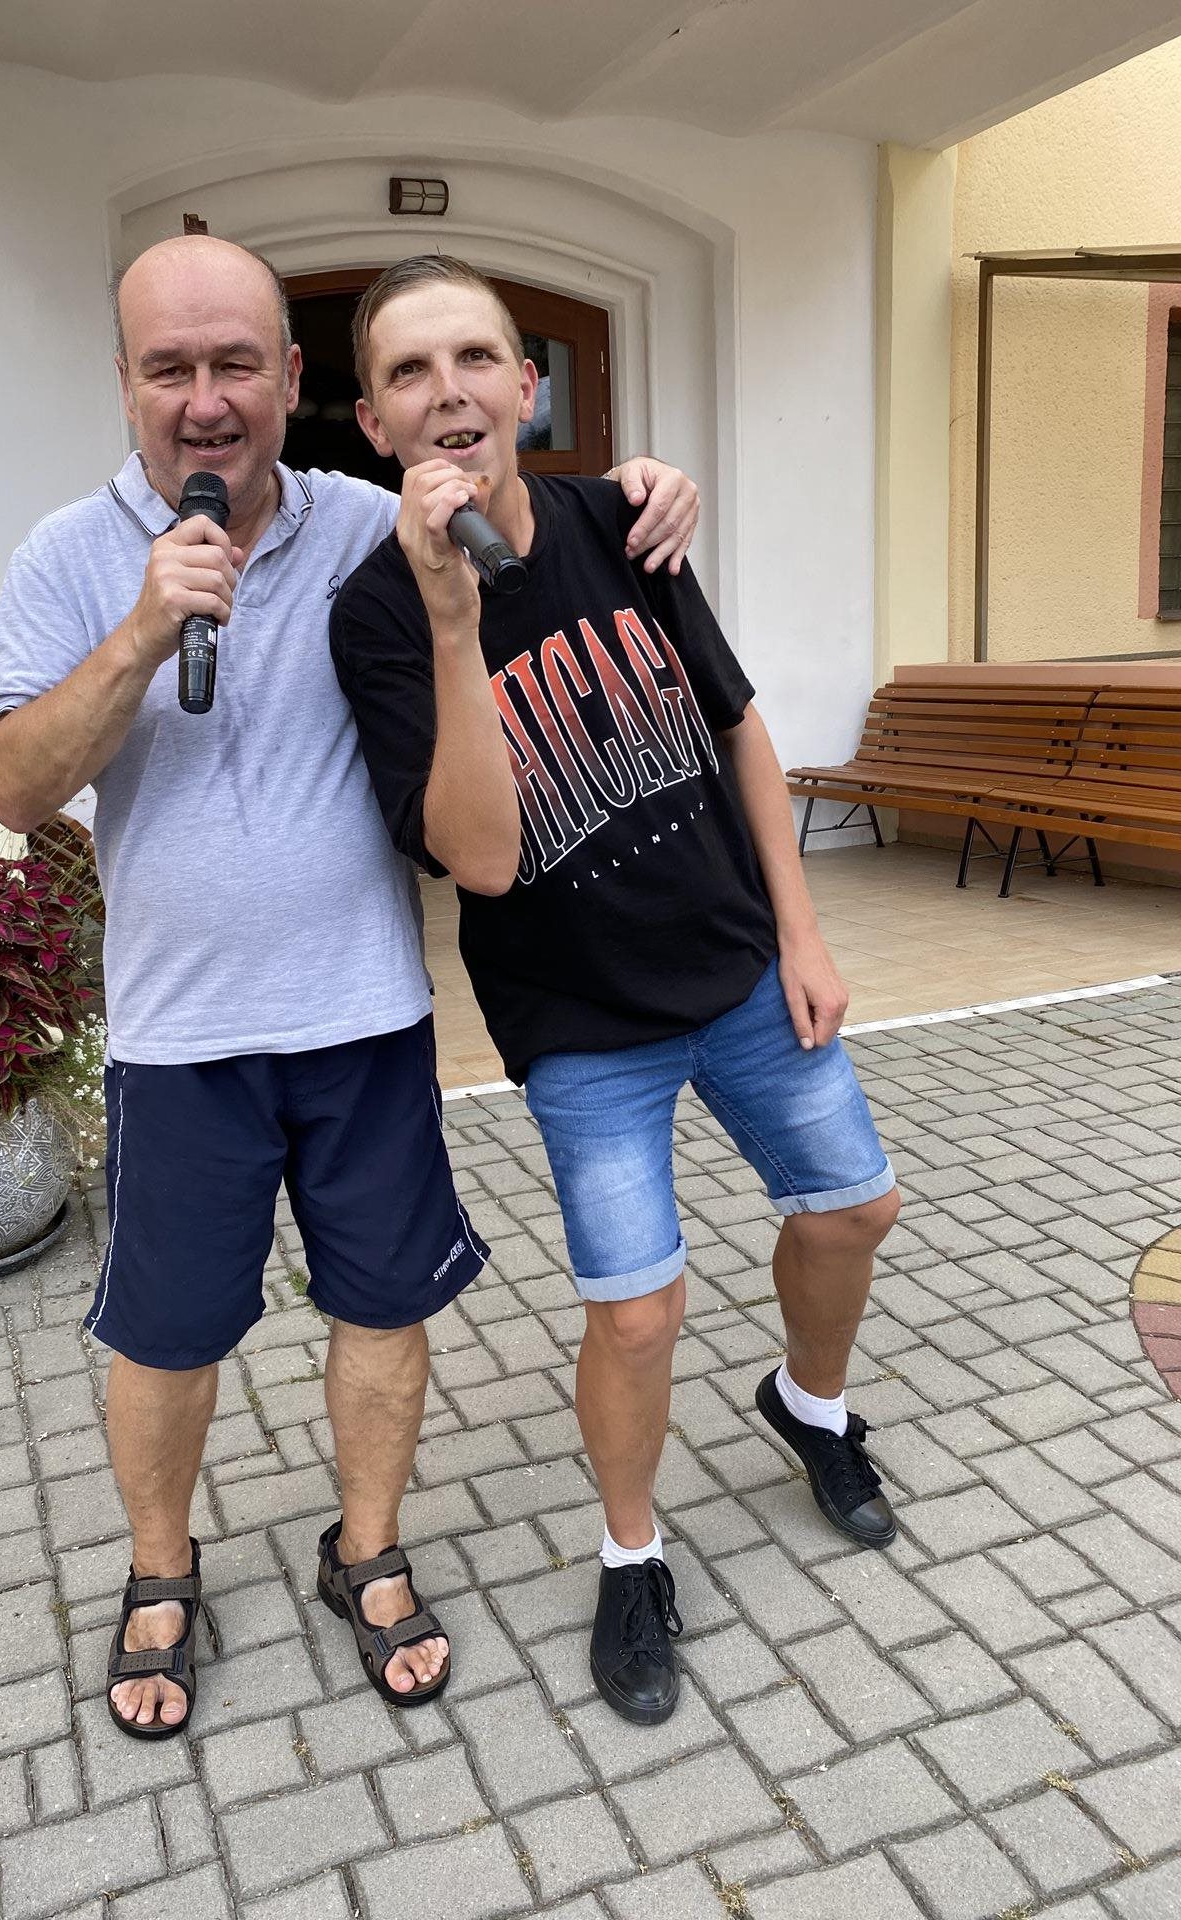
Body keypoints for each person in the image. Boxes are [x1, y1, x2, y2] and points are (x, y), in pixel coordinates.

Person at [0, 234, 702, 1737]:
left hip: (366, 1016)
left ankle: (364, 1550)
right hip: (181, 1034)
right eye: (170, 368)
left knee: (383, 1311)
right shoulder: (66, 556)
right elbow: (12, 786)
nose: (205, 398)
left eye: (236, 363)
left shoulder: (373, 525)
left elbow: (511, 508)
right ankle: (160, 1570)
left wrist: (641, 488)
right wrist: (142, 633)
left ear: (292, 377)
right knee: (165, 1334)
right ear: (125, 383)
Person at [330, 254, 902, 1728]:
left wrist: (803, 930)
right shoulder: (376, 617)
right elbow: (479, 859)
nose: (448, 392)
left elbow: (739, 726)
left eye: (476, 357)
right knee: (637, 1315)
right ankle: (632, 1554)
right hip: (581, 1023)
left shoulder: (620, 520)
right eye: (409, 372)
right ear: (375, 422)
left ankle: (810, 1406)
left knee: (854, 1207)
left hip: (735, 965)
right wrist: (454, 623)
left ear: (528, 388)